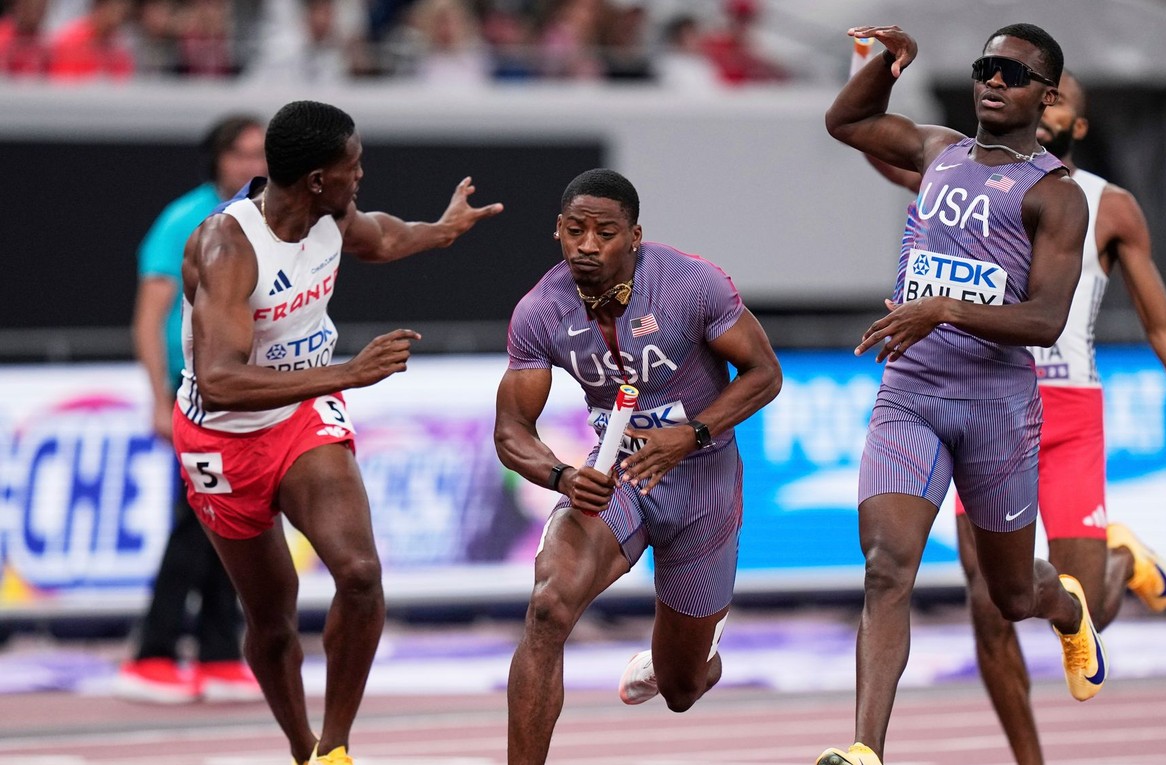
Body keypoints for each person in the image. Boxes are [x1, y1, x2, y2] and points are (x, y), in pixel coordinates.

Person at [855, 67, 1166, 764]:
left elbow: (1161, 324)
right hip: (980, 397)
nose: (1044, 110)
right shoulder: (966, 177)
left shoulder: (1107, 205)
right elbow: (886, 150)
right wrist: (866, 77)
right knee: (989, 601)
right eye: (1037, 95)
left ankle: (1120, 556)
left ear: (1076, 124)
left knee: (1082, 609)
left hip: (1066, 412)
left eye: (1060, 101)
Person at [173, 99, 502, 765]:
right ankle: (300, 748)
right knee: (272, 617)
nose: (362, 176)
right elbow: (219, 379)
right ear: (317, 178)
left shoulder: (333, 214)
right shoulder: (228, 245)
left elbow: (382, 236)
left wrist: (441, 230)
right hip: (223, 435)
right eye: (353, 167)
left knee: (358, 573)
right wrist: (346, 373)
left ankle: (335, 748)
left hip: (300, 418)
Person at [818, 23, 1096, 765]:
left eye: (1014, 72)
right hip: (912, 393)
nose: (995, 81)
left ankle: (1067, 607)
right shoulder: (938, 151)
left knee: (1010, 597)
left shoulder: (1058, 196)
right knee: (886, 565)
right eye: (986, 67)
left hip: (997, 410)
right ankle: (865, 750)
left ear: (1049, 95)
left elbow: (1043, 320)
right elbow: (845, 123)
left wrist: (941, 308)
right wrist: (889, 63)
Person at [494, 168, 782, 765]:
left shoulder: (692, 284)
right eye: (575, 231)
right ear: (558, 231)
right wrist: (562, 476)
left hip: (701, 484)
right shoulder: (540, 312)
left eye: (604, 232)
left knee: (680, 690)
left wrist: (692, 432)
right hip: (615, 479)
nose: (588, 245)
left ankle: (693, 653)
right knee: (548, 607)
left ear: (634, 236)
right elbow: (511, 431)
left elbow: (764, 374)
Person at [117, 115, 268, 705]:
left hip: (250, 394)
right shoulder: (186, 219)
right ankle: (153, 653)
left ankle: (219, 653)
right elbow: (148, 318)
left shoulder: (268, 222)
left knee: (235, 523)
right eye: (241, 154)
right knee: (194, 525)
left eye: (262, 153)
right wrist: (158, 399)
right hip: (197, 395)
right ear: (217, 160)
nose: (252, 165)